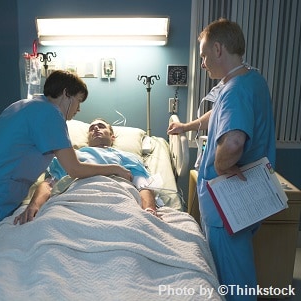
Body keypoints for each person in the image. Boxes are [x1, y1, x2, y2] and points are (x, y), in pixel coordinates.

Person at [0, 71, 132, 272]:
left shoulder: (26, 105)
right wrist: (115, 168)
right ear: (66, 94)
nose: (78, 109)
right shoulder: (50, 115)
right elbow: (74, 169)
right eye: (78, 101)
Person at [167, 19, 275, 300]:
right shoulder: (251, 79)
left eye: (203, 56)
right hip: (247, 194)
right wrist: (186, 127)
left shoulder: (235, 91)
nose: (202, 64)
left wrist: (219, 166)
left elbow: (235, 140)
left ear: (217, 49)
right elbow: (218, 115)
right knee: (239, 267)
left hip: (227, 202)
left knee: (234, 280)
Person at [14, 118, 157, 225]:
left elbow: (142, 186)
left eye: (101, 126)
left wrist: (149, 209)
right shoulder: (70, 155)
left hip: (116, 194)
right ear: (87, 138)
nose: (96, 129)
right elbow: (48, 184)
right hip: (74, 195)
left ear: (112, 137)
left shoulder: (126, 156)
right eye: (92, 128)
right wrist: (34, 205)